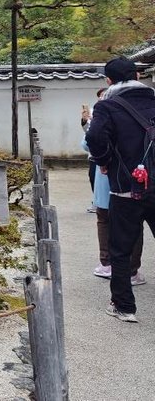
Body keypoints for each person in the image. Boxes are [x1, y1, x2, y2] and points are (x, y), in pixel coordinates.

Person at [86, 57, 155, 323]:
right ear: (138, 75)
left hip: (127, 188)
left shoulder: (107, 106)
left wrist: (104, 162)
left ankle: (124, 306)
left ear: (108, 81)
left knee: (121, 249)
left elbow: (94, 138)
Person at [84, 132, 144, 283]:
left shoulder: (104, 114)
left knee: (104, 220)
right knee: (134, 223)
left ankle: (106, 263)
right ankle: (132, 270)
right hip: (134, 175)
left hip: (106, 177)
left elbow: (87, 142)